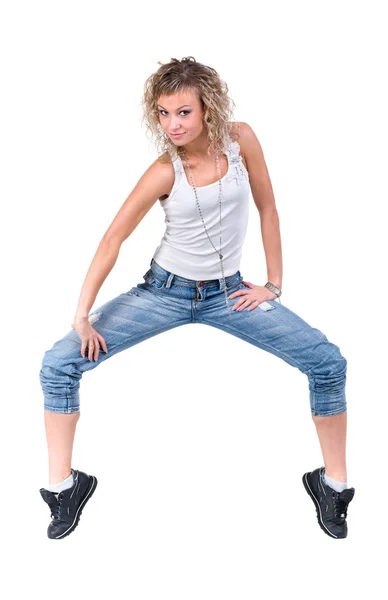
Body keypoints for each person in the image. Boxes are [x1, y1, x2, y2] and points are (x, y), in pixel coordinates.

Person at [39, 56, 355, 540]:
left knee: (327, 362)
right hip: (165, 292)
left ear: (208, 107)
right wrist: (82, 315)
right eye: (164, 114)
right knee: (59, 363)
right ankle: (64, 488)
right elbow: (112, 240)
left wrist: (272, 284)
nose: (173, 124)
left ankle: (332, 485)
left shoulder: (242, 139)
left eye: (183, 112)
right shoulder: (166, 170)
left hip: (230, 293)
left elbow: (269, 206)